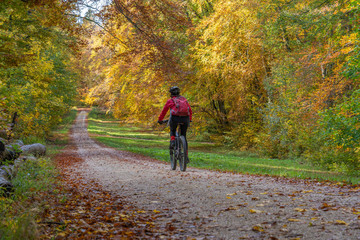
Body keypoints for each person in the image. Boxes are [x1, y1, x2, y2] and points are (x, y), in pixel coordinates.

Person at [158, 86, 192, 151]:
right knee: (184, 136)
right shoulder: (184, 99)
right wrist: (190, 119)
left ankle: (173, 141)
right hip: (185, 118)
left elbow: (164, 111)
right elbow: (190, 110)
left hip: (175, 118)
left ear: (171, 93)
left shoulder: (170, 101)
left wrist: (160, 120)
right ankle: (186, 156)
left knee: (172, 130)